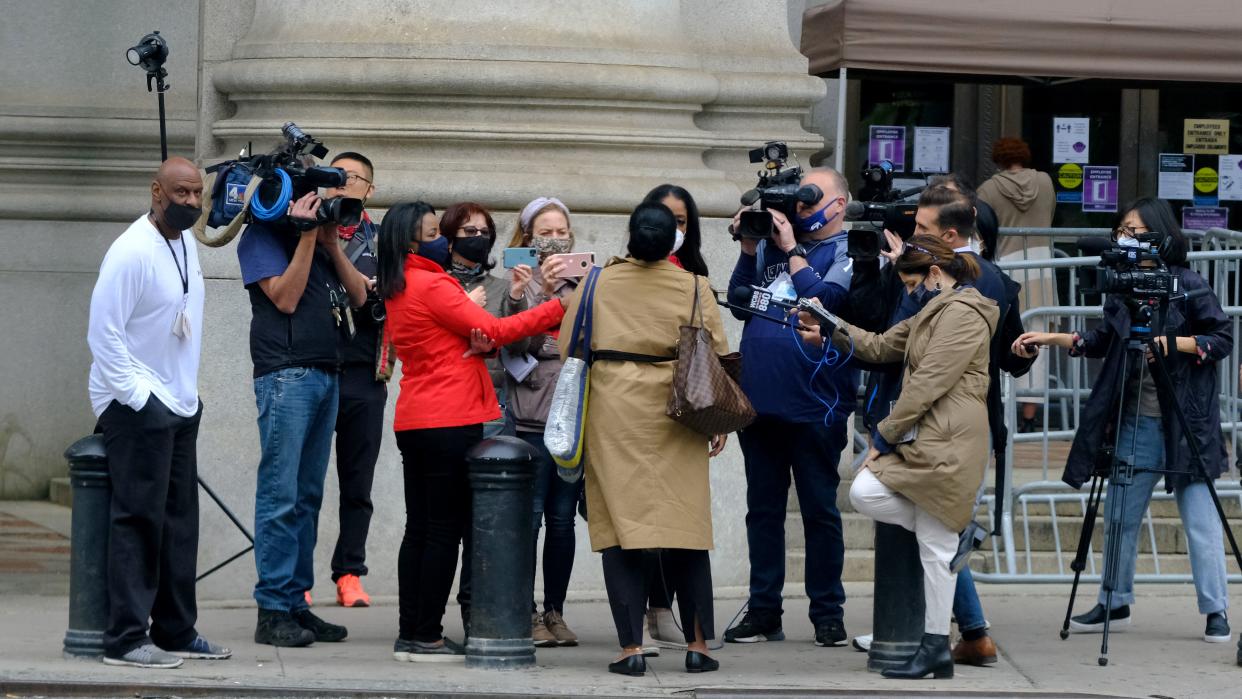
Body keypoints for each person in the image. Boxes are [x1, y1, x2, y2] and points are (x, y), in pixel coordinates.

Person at [1014, 198, 1233, 645]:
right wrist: (1054, 338)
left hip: (1187, 423)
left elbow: (1222, 336)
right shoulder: (1124, 289)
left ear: (1159, 235)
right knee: (1118, 516)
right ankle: (1115, 599)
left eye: (1134, 230)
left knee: (1201, 524)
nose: (1125, 238)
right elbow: (1103, 342)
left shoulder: (1188, 285)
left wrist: (1177, 344)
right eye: (1121, 230)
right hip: (1136, 420)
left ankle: (1216, 611)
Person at [377, 201, 568, 661]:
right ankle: (427, 634)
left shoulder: (399, 283)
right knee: (444, 530)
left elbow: (465, 336)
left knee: (420, 528)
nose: (443, 238)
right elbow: (496, 329)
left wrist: (473, 336)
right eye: (432, 230)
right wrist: (558, 306)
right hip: (450, 417)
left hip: (416, 417)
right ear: (413, 241)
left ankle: (412, 630)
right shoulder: (434, 283)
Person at [801, 234, 998, 680]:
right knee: (887, 506)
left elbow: (929, 382)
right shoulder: (933, 310)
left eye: (912, 283)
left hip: (948, 437)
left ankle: (934, 646)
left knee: (924, 537)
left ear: (934, 273)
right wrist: (829, 323)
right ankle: (956, 534)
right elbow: (880, 346)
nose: (909, 293)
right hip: (931, 435)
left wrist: (883, 438)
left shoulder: (965, 314)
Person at [559, 202, 729, 677]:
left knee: (622, 529)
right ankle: (698, 644)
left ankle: (631, 647)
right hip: (681, 410)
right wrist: (716, 422)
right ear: (670, 240)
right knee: (687, 529)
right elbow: (716, 353)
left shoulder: (596, 281)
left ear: (630, 236)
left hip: (615, 412)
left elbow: (568, 344)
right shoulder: (695, 285)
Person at [88, 157, 230, 668]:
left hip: (179, 401)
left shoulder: (185, 243)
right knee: (138, 519)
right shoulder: (131, 251)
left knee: (178, 523)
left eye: (197, 194)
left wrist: (183, 397)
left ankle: (175, 630)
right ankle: (126, 638)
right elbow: (102, 333)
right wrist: (137, 397)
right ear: (156, 192)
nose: (191, 202)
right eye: (182, 193)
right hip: (137, 405)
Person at [725, 166, 857, 648]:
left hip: (816, 406)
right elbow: (741, 303)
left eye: (809, 201)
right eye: (798, 202)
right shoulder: (772, 249)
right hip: (760, 403)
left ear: (838, 206)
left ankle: (827, 613)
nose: (797, 211)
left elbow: (824, 302)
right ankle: (764, 611)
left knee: (820, 512)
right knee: (762, 512)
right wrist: (747, 250)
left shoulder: (846, 252)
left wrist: (792, 251)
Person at [237, 175, 367, 647]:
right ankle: (272, 608)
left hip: (327, 373)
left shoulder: (314, 240)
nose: (318, 203)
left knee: (308, 497)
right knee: (280, 495)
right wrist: (308, 236)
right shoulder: (261, 237)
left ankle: (296, 601)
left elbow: (358, 296)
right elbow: (286, 298)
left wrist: (329, 243)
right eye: (309, 195)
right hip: (286, 376)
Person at [499, 196, 580, 648]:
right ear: (528, 237)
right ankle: (525, 612)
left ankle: (556, 611)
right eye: (544, 232)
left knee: (563, 520)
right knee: (529, 519)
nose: (554, 239)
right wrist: (540, 296)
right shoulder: (518, 283)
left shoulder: (586, 283)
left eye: (560, 231)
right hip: (529, 418)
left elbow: (587, 342)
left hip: (571, 417)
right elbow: (515, 344)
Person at [639, 183, 708, 650]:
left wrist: (715, 418)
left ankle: (679, 616)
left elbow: (710, 353)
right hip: (639, 414)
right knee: (645, 516)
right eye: (665, 220)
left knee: (683, 520)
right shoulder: (625, 274)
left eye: (681, 222)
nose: (672, 230)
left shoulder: (695, 276)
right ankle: (654, 607)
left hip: (686, 412)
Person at [322, 151, 384, 609]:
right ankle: (293, 575)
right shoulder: (304, 232)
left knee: (357, 482)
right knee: (301, 484)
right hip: (314, 367)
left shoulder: (382, 242)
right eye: (335, 177)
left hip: (364, 372)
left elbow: (371, 299)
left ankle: (349, 572)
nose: (342, 185)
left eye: (352, 178)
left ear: (369, 190)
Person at [976, 137, 1056, 432]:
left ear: (997, 158)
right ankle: (1030, 416)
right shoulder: (1045, 182)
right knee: (1037, 336)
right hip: (1043, 262)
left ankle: (1004, 413)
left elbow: (984, 225)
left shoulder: (987, 189)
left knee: (1004, 336)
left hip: (1007, 264)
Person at [443, 201, 510, 437]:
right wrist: (465, 308)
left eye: (484, 233)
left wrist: (517, 295)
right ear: (450, 240)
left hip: (489, 398)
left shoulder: (501, 287)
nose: (478, 237)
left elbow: (521, 345)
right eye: (470, 232)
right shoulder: (435, 283)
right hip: (443, 399)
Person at [642, 184, 709, 276]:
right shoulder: (623, 273)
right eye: (662, 218)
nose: (670, 228)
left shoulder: (697, 277)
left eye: (679, 221)